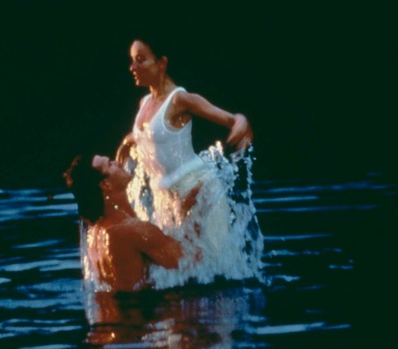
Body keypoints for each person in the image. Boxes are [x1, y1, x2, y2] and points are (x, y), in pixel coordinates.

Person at [115, 37, 264, 287]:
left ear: (161, 63)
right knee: (179, 273)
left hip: (200, 193)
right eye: (132, 61)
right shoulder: (144, 104)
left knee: (213, 273)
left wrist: (241, 123)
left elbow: (231, 119)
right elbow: (150, 133)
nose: (133, 67)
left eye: (141, 60)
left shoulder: (180, 100)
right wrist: (128, 140)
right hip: (167, 200)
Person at [63, 153, 183, 292]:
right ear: (105, 184)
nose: (117, 163)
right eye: (110, 164)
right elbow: (192, 261)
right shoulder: (132, 231)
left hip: (113, 310)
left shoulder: (95, 233)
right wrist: (186, 210)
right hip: (143, 310)